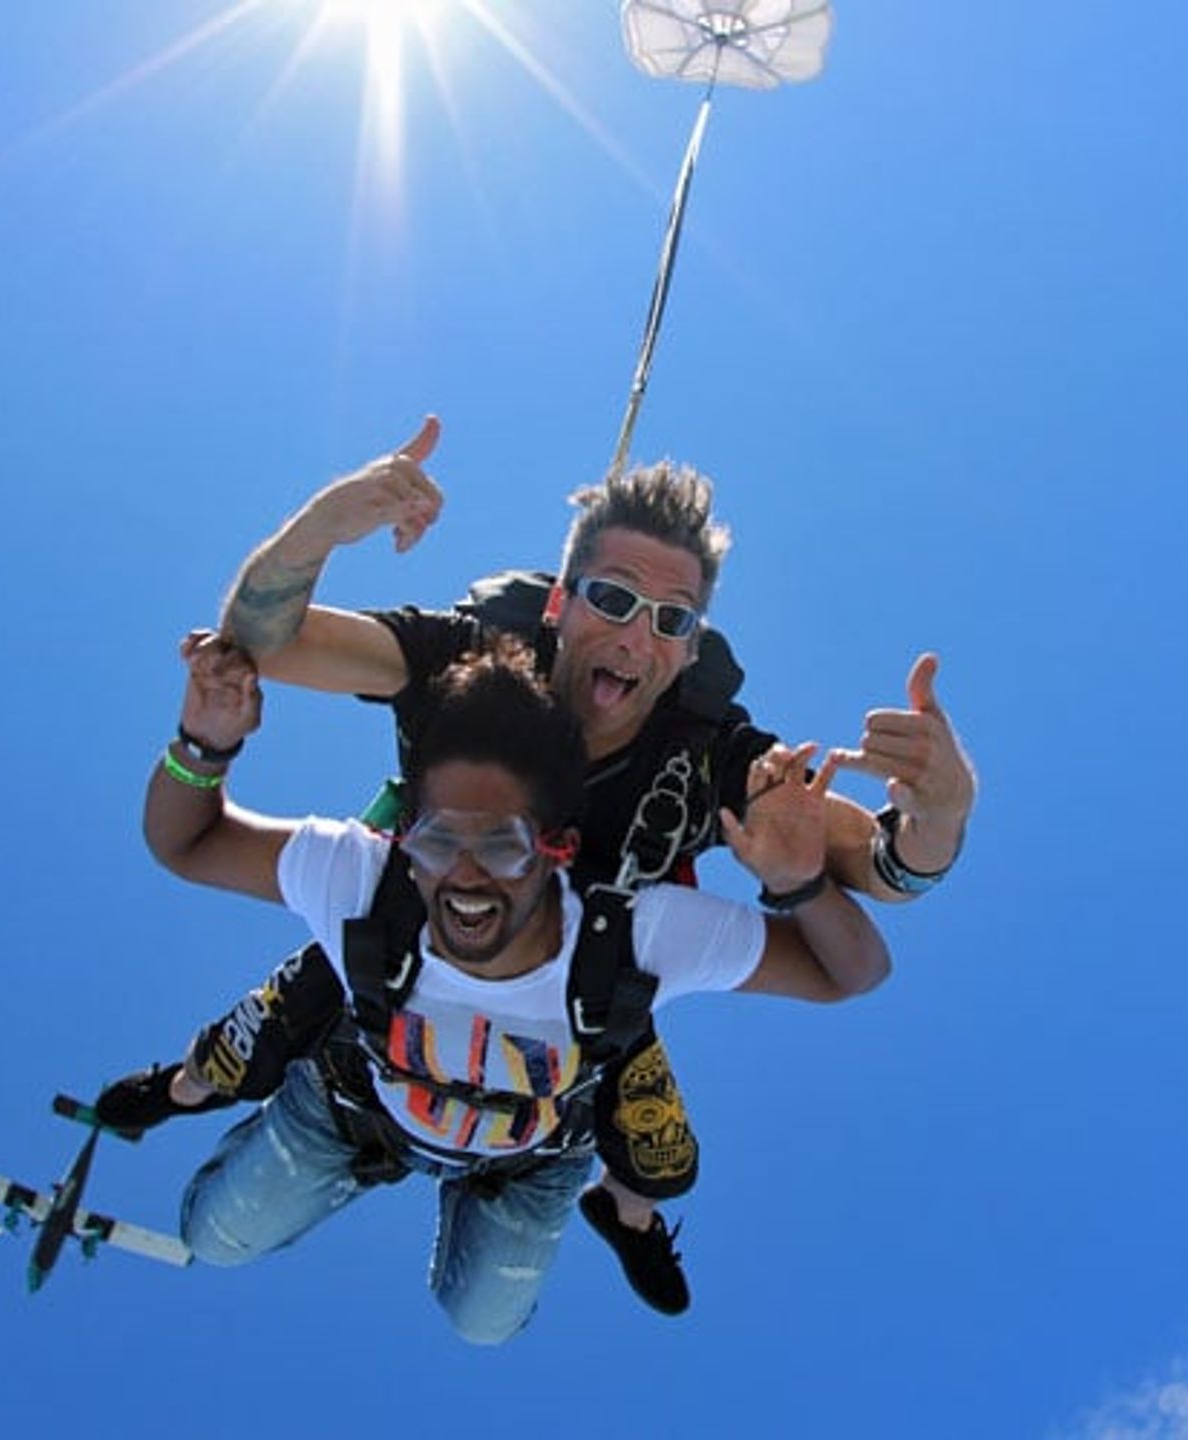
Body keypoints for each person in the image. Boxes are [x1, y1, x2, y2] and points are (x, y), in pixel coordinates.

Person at [99, 416, 976, 1314]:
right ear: (559, 602)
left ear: (689, 648)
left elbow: (879, 866)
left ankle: (621, 1207)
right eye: (613, 599)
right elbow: (264, 640)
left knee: (641, 1141)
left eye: (672, 620)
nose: (635, 638)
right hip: (418, 937)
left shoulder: (708, 763)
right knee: (289, 1025)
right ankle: (196, 1084)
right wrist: (322, 527)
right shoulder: (466, 667)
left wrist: (936, 813)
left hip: (583, 985)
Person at [146, 634, 891, 1345]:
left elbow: (852, 971)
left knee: (486, 1321)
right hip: (359, 1106)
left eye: (501, 846)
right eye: (439, 842)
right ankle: (194, 1082)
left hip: (534, 1152)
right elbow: (187, 843)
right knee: (215, 1236)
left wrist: (800, 884)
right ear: (407, 841)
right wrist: (203, 744)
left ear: (557, 850)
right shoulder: (362, 876)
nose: (465, 875)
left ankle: (627, 1210)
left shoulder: (637, 930)